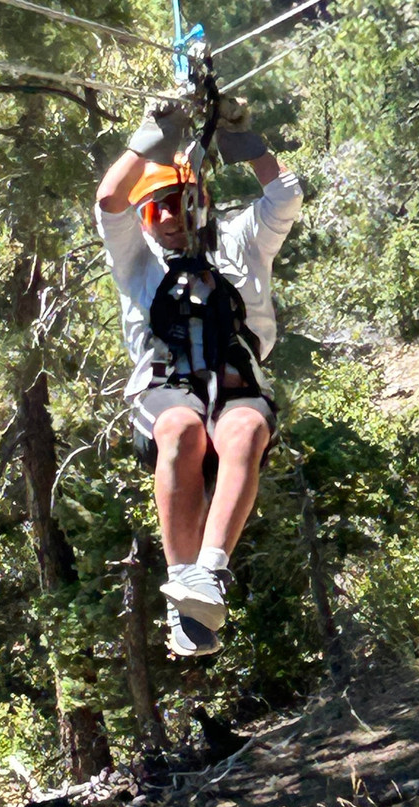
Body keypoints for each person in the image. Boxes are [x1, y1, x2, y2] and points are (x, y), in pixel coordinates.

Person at [94, 98, 303, 656]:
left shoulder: (239, 245)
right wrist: (149, 140)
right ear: (145, 219)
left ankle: (207, 575)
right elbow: (109, 199)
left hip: (236, 384)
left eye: (179, 201)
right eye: (156, 207)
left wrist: (246, 143)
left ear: (202, 200)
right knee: (184, 430)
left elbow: (285, 195)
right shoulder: (139, 263)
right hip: (168, 393)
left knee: (246, 432)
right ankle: (180, 583)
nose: (168, 215)